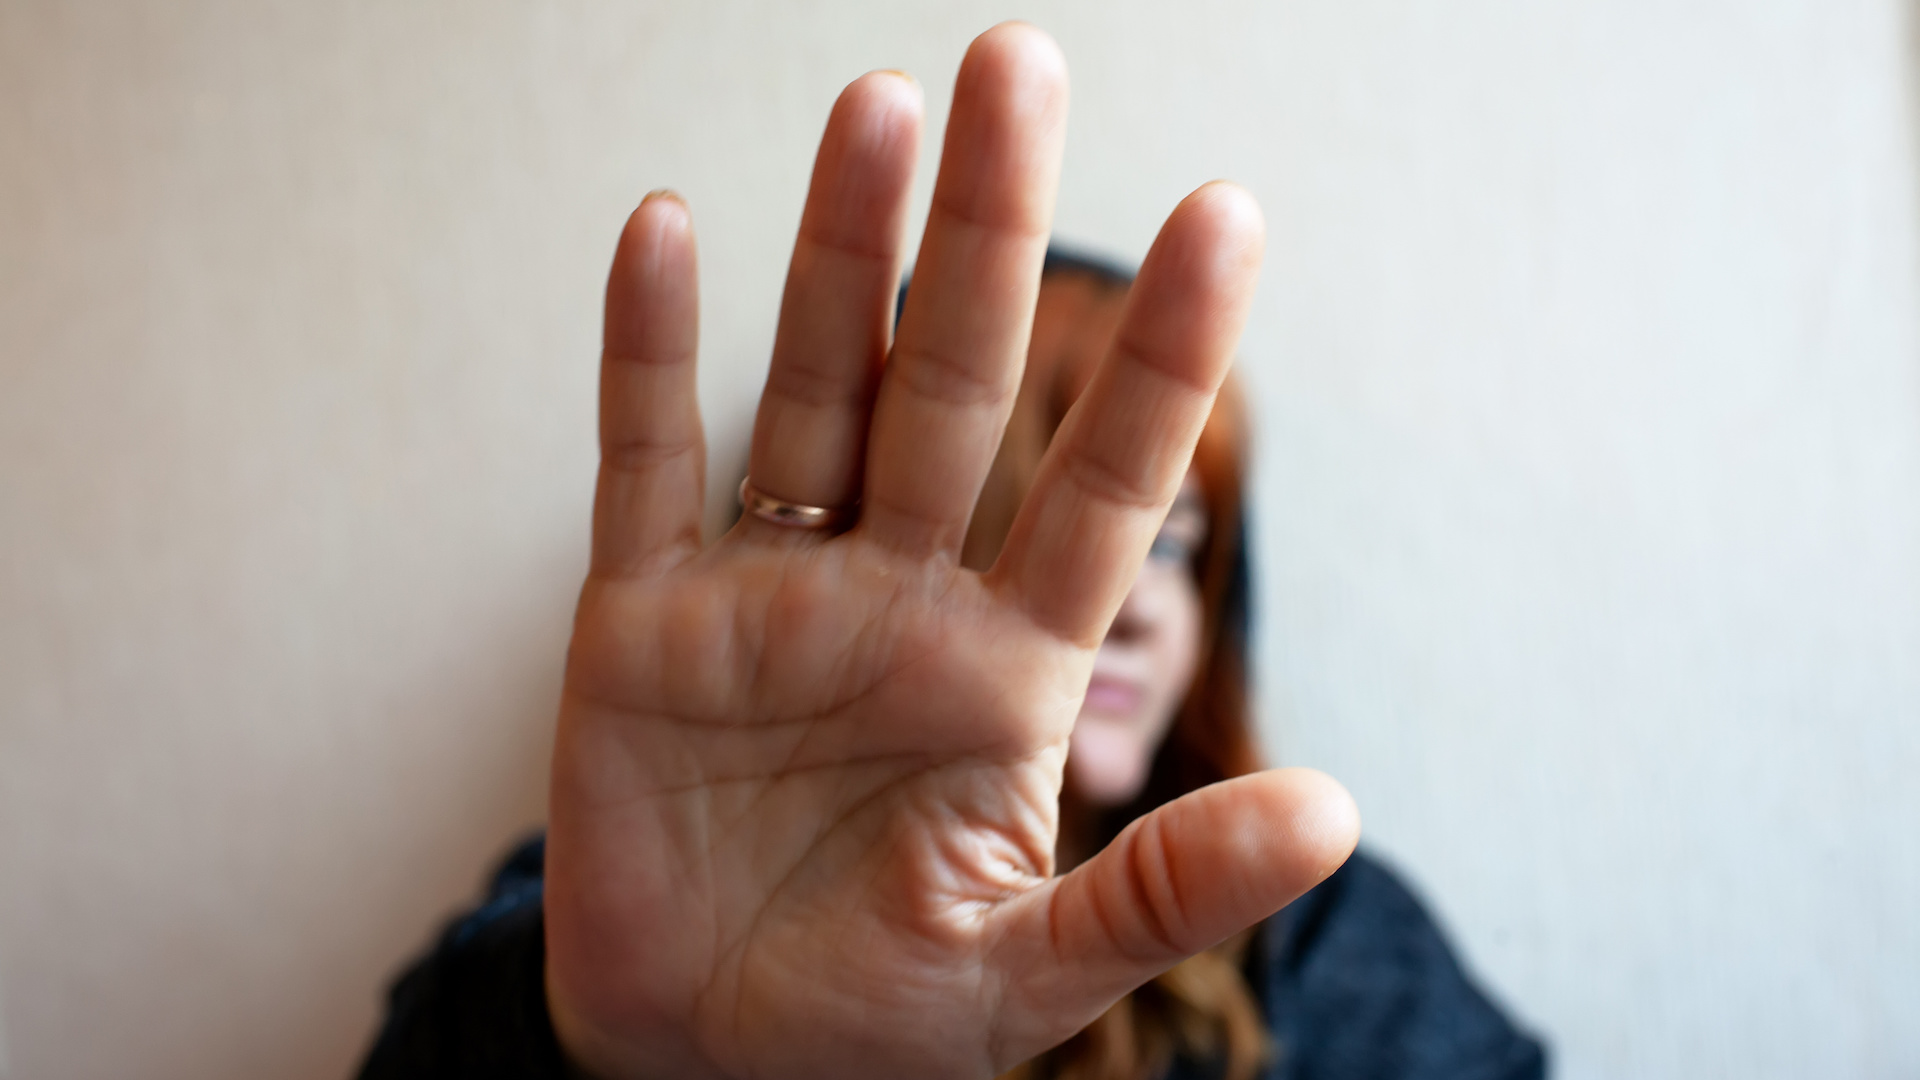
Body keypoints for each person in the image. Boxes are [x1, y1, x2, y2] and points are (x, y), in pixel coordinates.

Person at [357, 23, 1545, 1080]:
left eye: (1179, 547)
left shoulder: (1324, 947)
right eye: (1030, 522)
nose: (1139, 610)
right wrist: (614, 1058)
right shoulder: (612, 903)